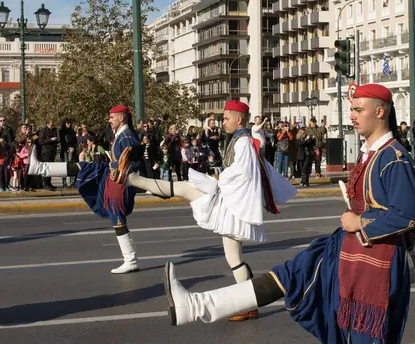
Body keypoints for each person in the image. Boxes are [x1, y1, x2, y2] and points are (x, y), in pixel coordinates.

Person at [162, 84, 415, 343]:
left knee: (363, 333)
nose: (351, 115)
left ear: (380, 111)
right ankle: (195, 306)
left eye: (358, 110)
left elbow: (404, 214)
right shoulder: (371, 153)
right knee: (289, 275)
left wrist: (360, 221)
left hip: (374, 263)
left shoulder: (394, 158)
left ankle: (195, 306)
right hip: (350, 251)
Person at [118, 100, 297, 321]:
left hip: (232, 205)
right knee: (233, 257)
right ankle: (250, 304)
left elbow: (245, 173)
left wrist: (220, 179)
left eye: (226, 118)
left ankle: (132, 179)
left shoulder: (243, 142)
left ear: (238, 119)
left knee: (185, 188)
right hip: (232, 201)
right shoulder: (243, 139)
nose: (223, 122)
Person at [27, 105, 142, 274]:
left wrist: (116, 165)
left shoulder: (126, 136)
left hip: (119, 182)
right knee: (83, 167)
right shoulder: (121, 134)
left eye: (112, 117)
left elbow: (133, 160)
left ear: (121, 118)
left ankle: (130, 260)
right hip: (113, 177)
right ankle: (40, 168)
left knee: (117, 219)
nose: (109, 121)